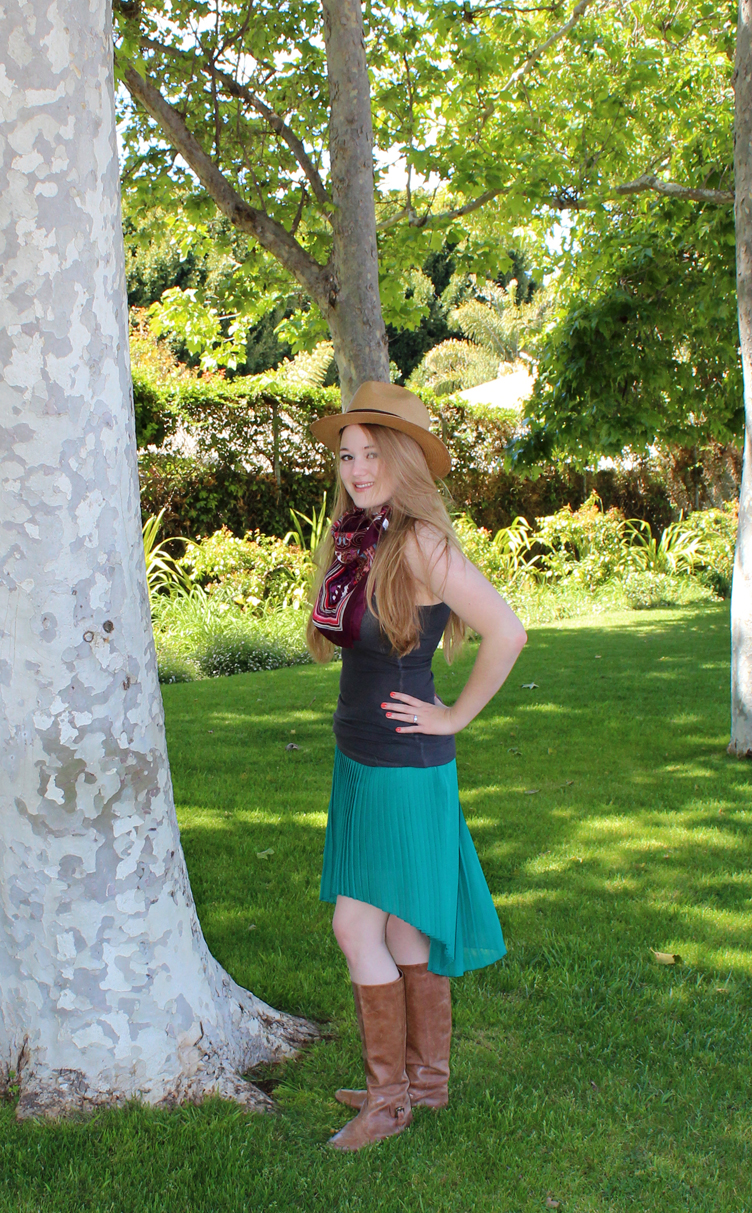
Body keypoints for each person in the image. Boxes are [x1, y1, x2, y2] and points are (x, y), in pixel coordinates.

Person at [307, 381, 527, 1152]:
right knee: (401, 924)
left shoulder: (424, 545)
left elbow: (507, 630)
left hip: (405, 759)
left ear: (404, 461)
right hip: (362, 756)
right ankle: (421, 1084)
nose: (359, 468)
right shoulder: (360, 537)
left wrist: (455, 713)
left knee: (353, 924)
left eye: (373, 454)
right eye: (348, 455)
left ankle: (388, 1100)